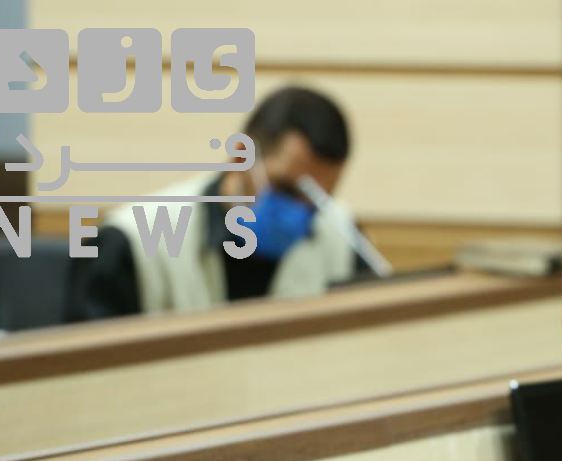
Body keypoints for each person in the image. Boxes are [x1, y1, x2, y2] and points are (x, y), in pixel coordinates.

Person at [67, 86, 374, 321]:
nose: (300, 213)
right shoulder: (130, 243)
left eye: (317, 201)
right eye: (286, 189)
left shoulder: (343, 240)